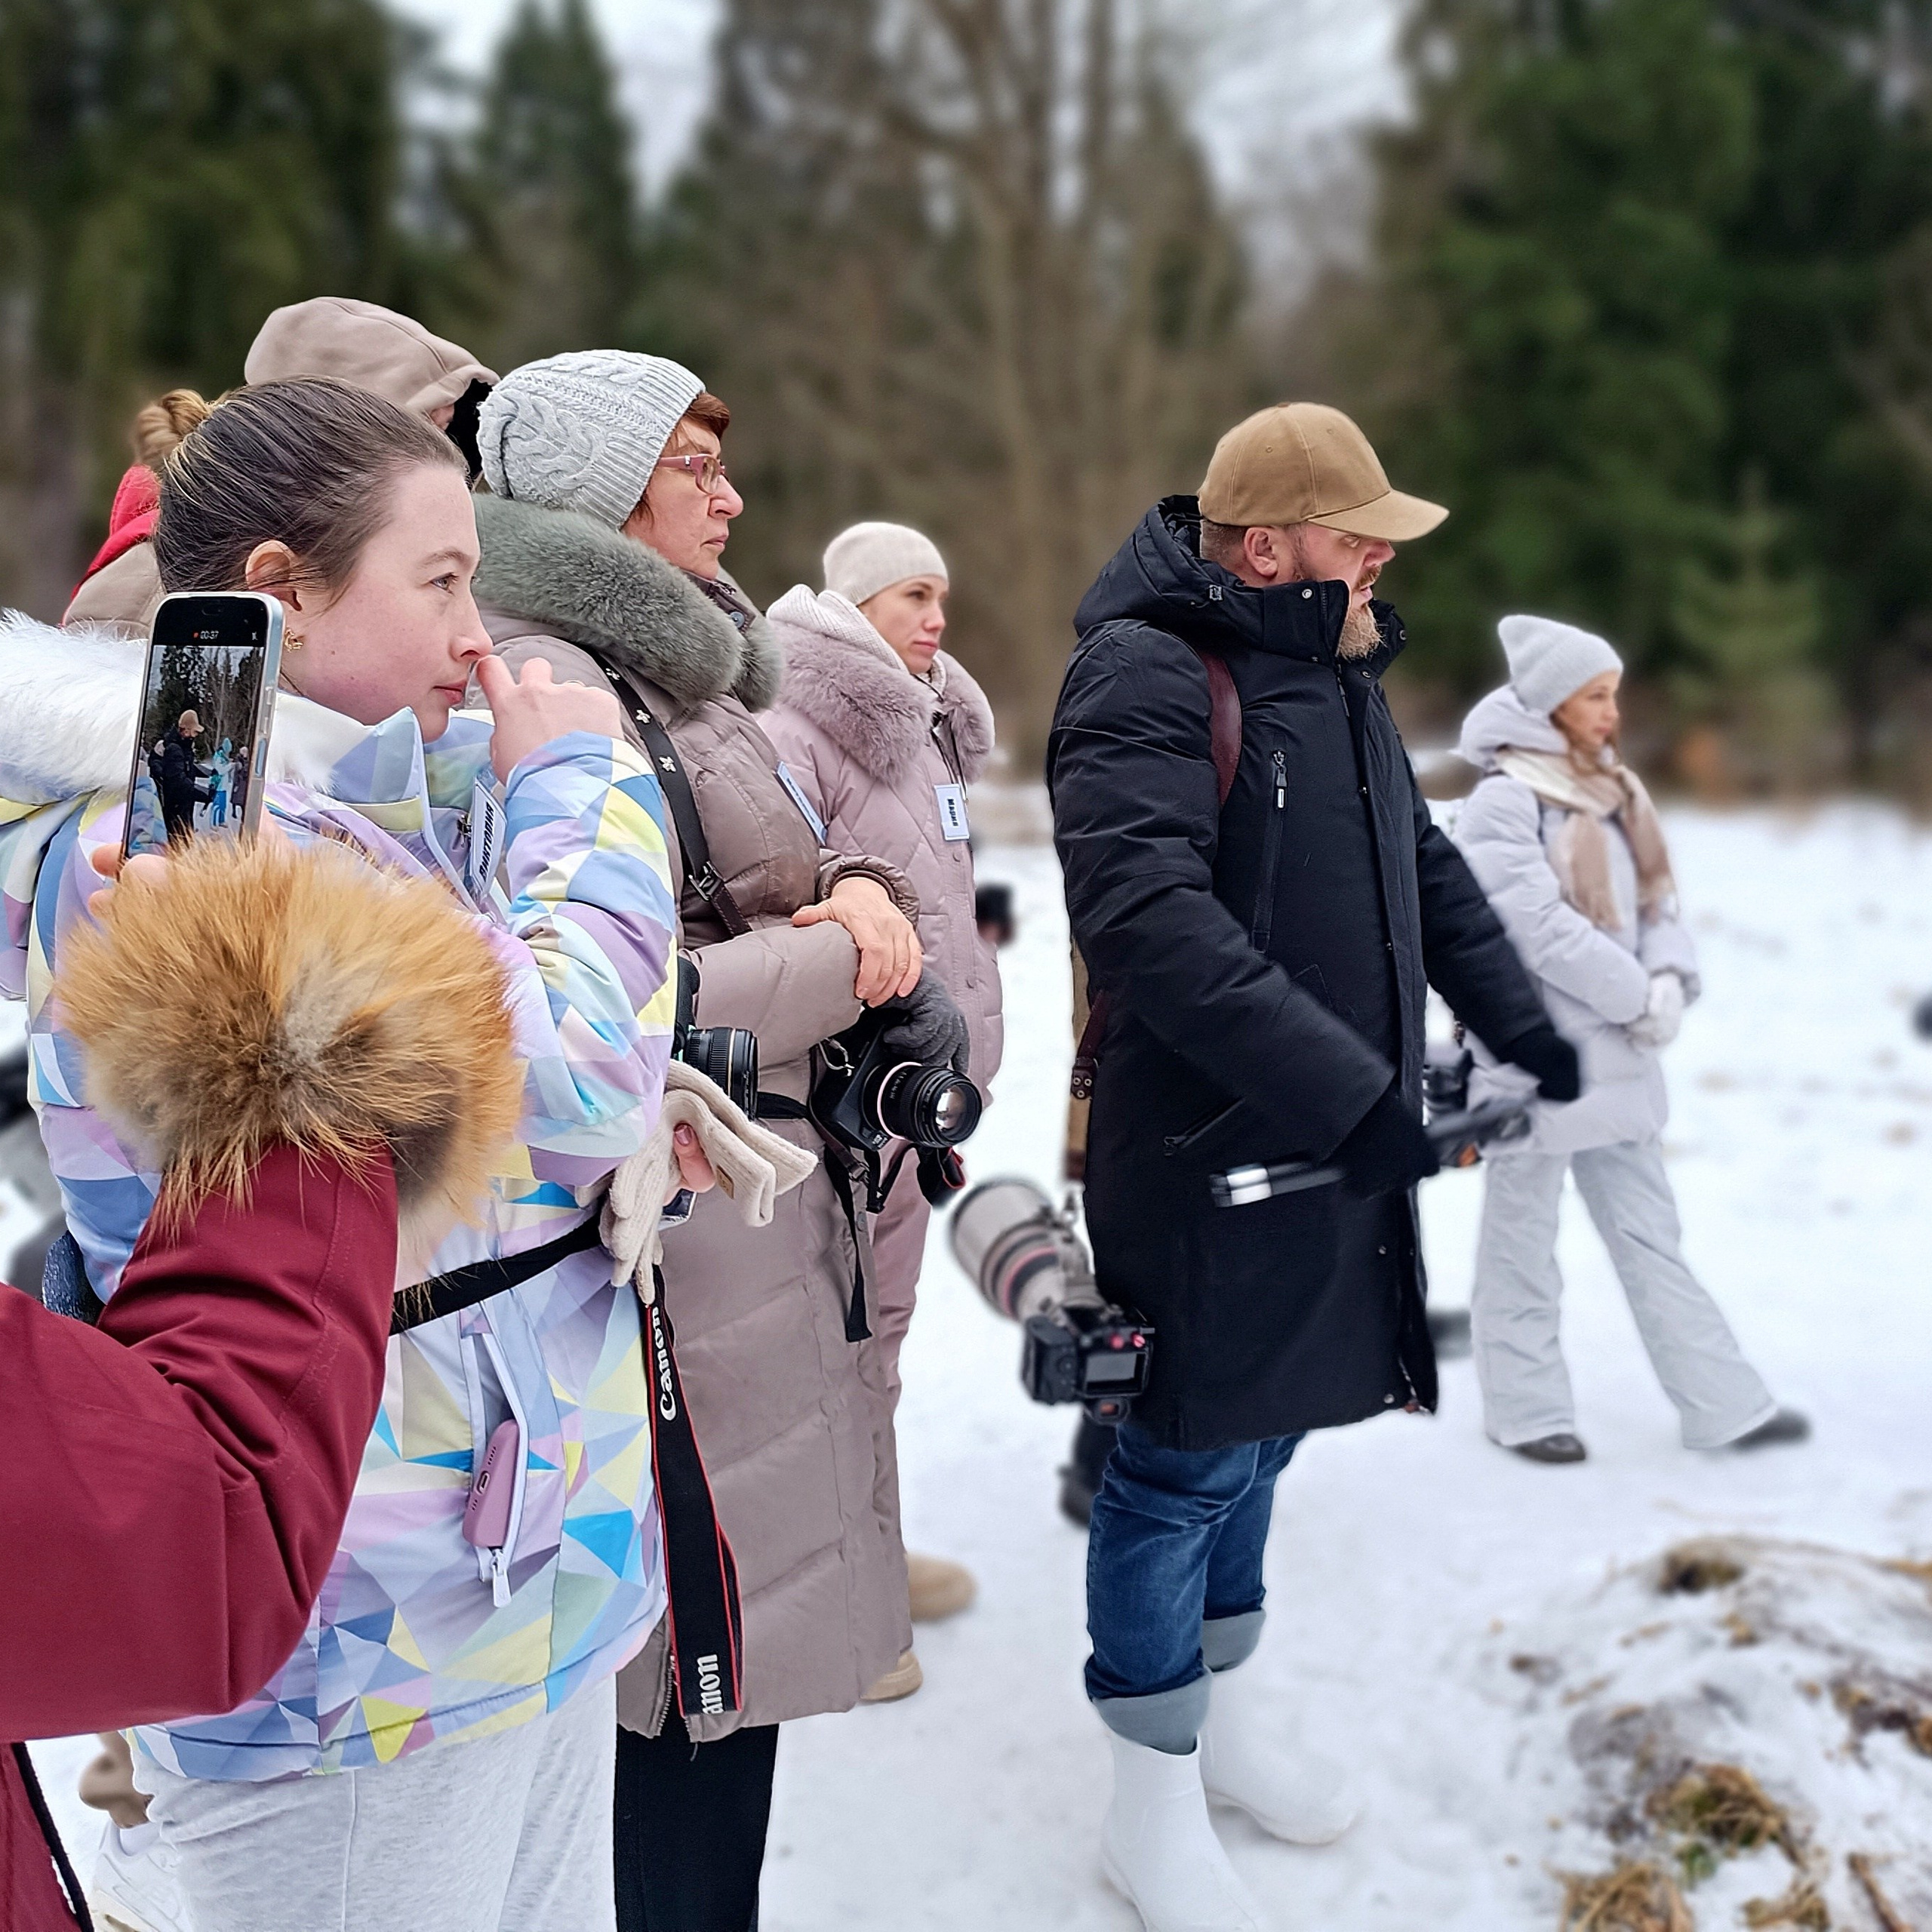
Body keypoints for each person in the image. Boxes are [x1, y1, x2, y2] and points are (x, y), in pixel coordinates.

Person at [0, 376, 686, 1932]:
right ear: (275, 597)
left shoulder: (364, 809)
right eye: (438, 579)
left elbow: (488, 1120)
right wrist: (592, 791)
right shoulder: (195, 854)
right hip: (365, 1638)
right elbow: (576, 1070)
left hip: (509, 1570)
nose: (474, 630)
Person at [1048, 401, 1576, 1932]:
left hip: (1332, 1141)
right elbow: (1147, 920)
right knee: (1179, 1461)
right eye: (1356, 537)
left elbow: (1422, 866)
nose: (1375, 563)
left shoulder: (1337, 679)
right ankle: (1146, 1798)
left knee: (1268, 1433)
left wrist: (1521, 1026)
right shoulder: (1147, 669)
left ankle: (1224, 1717)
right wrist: (1351, 1093)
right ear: (1266, 543)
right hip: (1210, 1155)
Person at [473, 351, 949, 1930]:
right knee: (682, 1687)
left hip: (758, 1233)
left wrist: (859, 896)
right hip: (668, 1259)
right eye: (693, 465)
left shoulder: (683, 671)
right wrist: (846, 948)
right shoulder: (544, 685)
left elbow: (779, 875)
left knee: (722, 1691)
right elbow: (604, 994)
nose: (731, 497)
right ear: (604, 494)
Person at [2, 829, 526, 1930]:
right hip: (352, 1656)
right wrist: (282, 1021)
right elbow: (191, 1538)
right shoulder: (98, 843)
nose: (480, 644)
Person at [1453, 616, 1810, 1463]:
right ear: (1550, 703)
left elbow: (1658, 901)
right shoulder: (1504, 798)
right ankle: (1526, 1411)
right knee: (1521, 1244)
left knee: (1653, 1237)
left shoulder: (1614, 789)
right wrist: (1631, 993)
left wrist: (1670, 983)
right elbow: (1528, 926)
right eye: (1596, 696)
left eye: (1613, 693)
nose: (1612, 712)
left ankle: (1723, 1403)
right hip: (1537, 1060)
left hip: (1622, 1059)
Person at [762, 520, 1001, 1639]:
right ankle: (846, 1597)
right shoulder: (797, 726)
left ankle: (872, 1557)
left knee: (884, 1333)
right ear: (854, 604)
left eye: (941, 595)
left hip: (918, 1101)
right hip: (849, 1101)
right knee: (846, 1338)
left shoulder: (922, 731)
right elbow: (793, 906)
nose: (936, 617)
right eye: (913, 594)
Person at [61, 301, 496, 638]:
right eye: (422, 426)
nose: (438, 454)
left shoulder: (410, 574)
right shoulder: (164, 586)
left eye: (447, 433)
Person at [155, 708, 202, 843]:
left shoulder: (184, 747)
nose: (196, 735)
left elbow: (187, 768)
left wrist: (207, 773)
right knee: (177, 846)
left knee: (183, 843)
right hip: (176, 811)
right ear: (186, 731)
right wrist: (204, 794)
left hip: (182, 808)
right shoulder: (175, 749)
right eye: (195, 731)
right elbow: (178, 782)